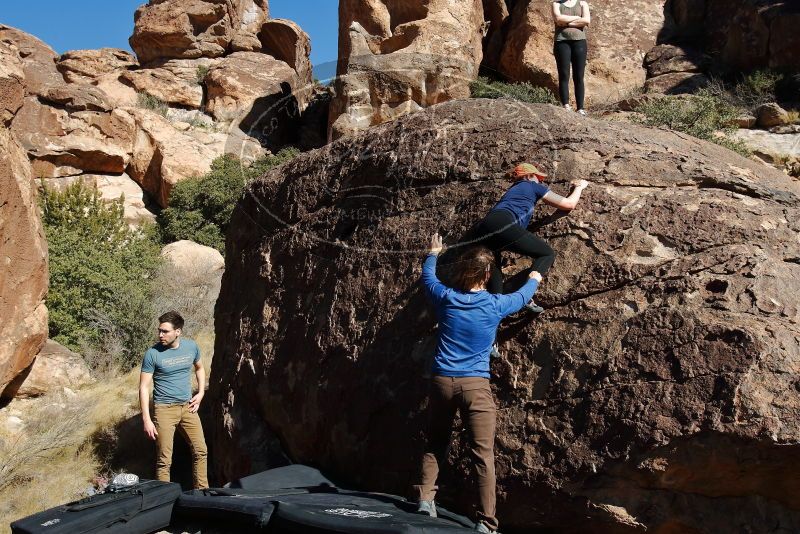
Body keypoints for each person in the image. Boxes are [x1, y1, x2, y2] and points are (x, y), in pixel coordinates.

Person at [415, 233, 542, 533]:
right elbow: (523, 297)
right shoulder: (496, 304)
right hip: (475, 386)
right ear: (487, 275)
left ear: (463, 271)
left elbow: (428, 277)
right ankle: (486, 522)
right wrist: (534, 277)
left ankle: (424, 500)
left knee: (435, 442)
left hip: (442, 380)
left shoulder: (446, 298)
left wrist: (433, 252)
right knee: (482, 455)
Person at [463, 163, 588, 313]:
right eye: (538, 178)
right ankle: (524, 294)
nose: (541, 182)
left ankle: (498, 306)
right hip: (501, 223)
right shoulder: (531, 185)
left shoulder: (513, 190)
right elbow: (569, 204)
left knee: (497, 294)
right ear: (529, 176)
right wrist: (579, 187)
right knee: (547, 254)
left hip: (483, 230)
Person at [139, 310, 208, 489]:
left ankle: (202, 493)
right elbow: (144, 387)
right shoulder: (153, 354)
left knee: (201, 451)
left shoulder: (191, 347)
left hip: (188, 407)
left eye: (165, 331)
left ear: (178, 331)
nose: (160, 335)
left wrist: (200, 393)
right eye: (159, 331)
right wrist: (147, 419)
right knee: (164, 460)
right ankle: (164, 500)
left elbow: (199, 368)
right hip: (164, 410)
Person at [552, 0, 591, 115]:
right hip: (561, 42)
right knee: (564, 74)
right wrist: (577, 19)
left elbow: (587, 20)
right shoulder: (556, 4)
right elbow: (558, 19)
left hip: (579, 42)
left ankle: (580, 108)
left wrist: (567, 22)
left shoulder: (582, 4)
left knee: (579, 75)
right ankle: (566, 105)